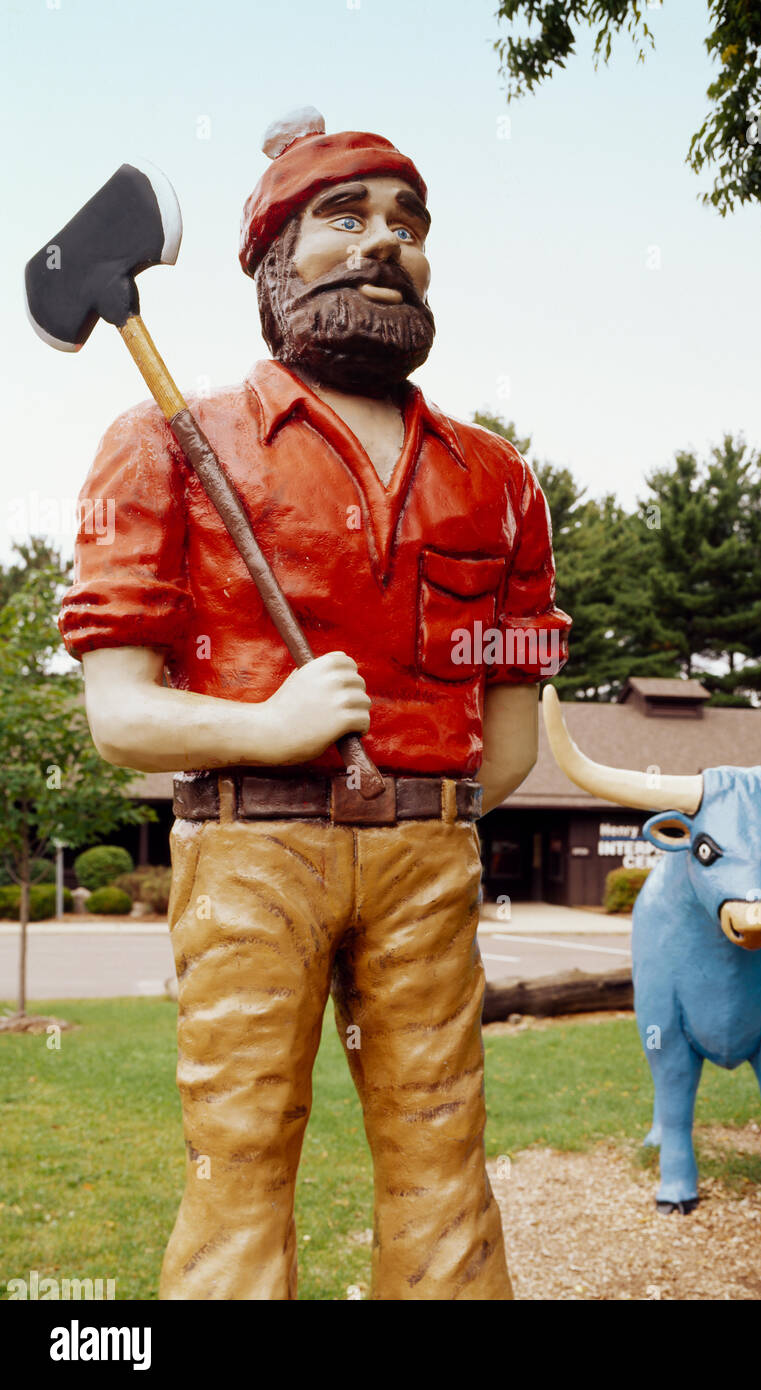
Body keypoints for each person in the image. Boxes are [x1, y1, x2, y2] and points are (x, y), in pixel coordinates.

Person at [59, 109, 570, 1301]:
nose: (384, 242)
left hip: (427, 855)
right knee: (237, 1160)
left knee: (443, 1156)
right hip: (250, 852)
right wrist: (266, 732)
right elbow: (121, 715)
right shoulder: (165, 445)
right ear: (272, 257)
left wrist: (413, 807)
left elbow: (504, 744)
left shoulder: (498, 482)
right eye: (344, 217)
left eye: (408, 223)